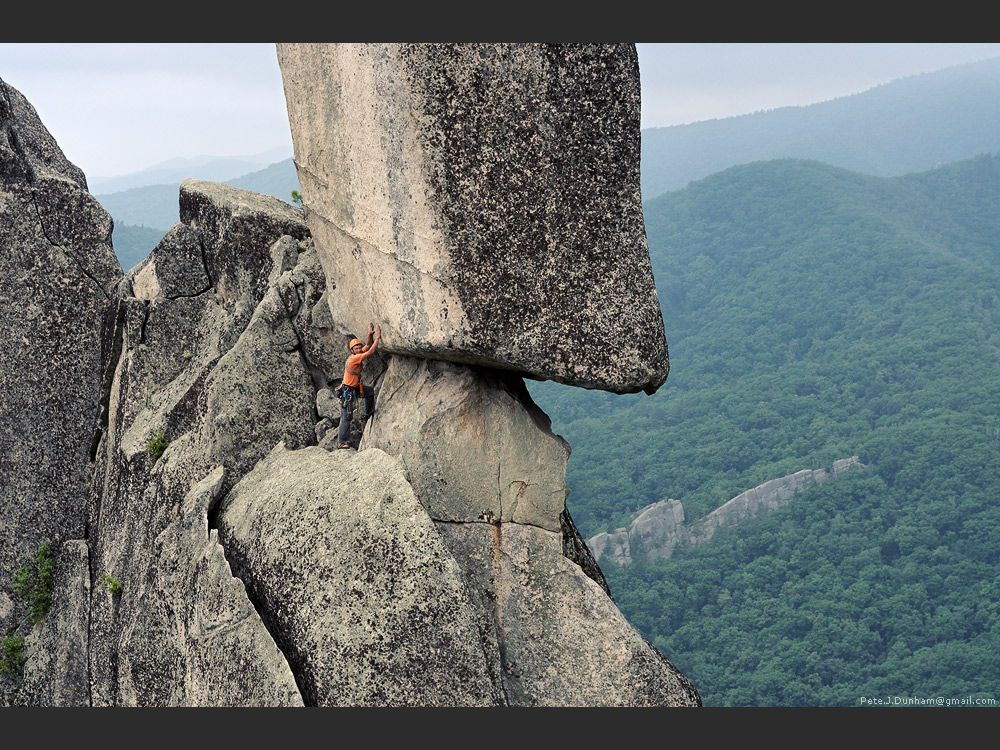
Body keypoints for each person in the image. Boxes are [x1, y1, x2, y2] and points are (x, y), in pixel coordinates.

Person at [336, 322, 380, 449]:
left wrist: (370, 334)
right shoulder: (354, 359)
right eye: (356, 348)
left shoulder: (357, 354)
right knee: (347, 416)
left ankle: (368, 412)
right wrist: (378, 337)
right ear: (352, 351)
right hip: (348, 391)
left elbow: (367, 346)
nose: (359, 349)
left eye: (359, 348)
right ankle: (341, 442)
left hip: (353, 388)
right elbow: (371, 351)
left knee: (369, 392)